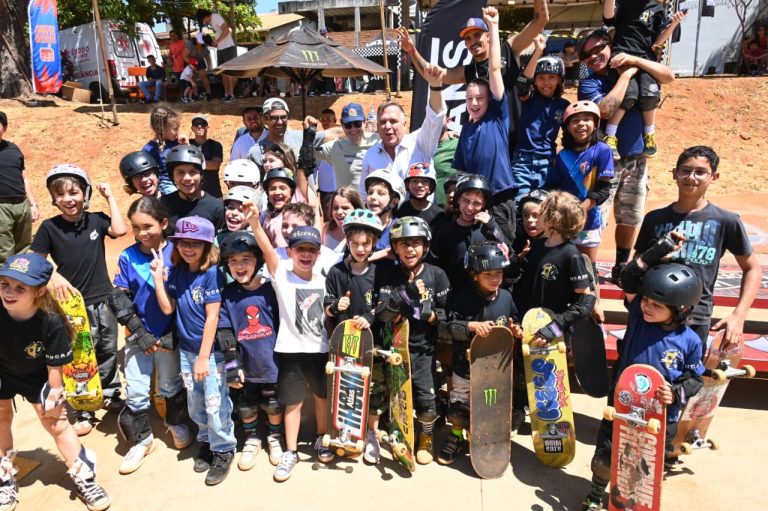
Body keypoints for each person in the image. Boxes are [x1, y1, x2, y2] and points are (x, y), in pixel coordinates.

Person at [580, 256, 705, 510]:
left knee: (644, 463)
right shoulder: (638, 317)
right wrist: (661, 249)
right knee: (606, 456)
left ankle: (633, 498)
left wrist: (676, 392)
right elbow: (627, 278)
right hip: (622, 404)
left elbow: (696, 379)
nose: (647, 306)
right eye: (646, 300)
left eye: (656, 305)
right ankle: (595, 495)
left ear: (680, 310)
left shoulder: (690, 341)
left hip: (660, 416)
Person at [0, 253, 110, 511]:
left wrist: (55, 391)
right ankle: (5, 478)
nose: (9, 292)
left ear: (39, 291)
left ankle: (85, 476)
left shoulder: (50, 320)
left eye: (20, 287)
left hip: (38, 376)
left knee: (57, 422)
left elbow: (55, 364)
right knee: (1, 418)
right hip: (2, 372)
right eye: (4, 283)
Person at [31, 165, 128, 436]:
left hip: (103, 298)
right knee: (79, 355)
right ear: (53, 198)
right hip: (72, 305)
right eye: (60, 194)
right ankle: (83, 405)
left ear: (84, 193)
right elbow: (36, 261)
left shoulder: (96, 220)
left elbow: (119, 230)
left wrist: (110, 197)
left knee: (107, 348)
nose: (68, 199)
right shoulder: (50, 228)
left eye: (74, 192)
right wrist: (55, 278)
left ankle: (109, 392)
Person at [632, 146, 762, 345]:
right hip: (651, 313)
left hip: (695, 318)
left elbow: (752, 268)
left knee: (687, 376)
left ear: (714, 177)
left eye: (700, 172)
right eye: (685, 170)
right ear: (674, 174)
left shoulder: (726, 220)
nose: (691, 177)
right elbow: (636, 266)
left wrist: (739, 315)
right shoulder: (654, 219)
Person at [577, 28, 675, 283]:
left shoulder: (634, 64)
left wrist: (635, 62)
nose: (594, 56)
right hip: (604, 160)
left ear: (611, 45)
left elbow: (668, 77)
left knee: (631, 215)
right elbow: (605, 109)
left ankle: (621, 265)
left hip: (636, 157)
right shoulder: (590, 81)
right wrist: (628, 76)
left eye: (599, 48)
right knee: (597, 216)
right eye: (587, 54)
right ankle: (589, 271)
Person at [245, 204, 335, 482]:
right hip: (291, 350)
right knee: (293, 402)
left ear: (319, 254)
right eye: (300, 249)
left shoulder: (325, 279)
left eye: (311, 250)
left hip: (320, 350)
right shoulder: (282, 274)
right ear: (290, 251)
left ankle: (321, 438)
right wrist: (254, 223)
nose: (305, 255)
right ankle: (291, 450)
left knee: (321, 398)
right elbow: (267, 251)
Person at [399, 0, 548, 157]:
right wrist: (412, 50)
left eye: (477, 35)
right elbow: (432, 74)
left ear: (489, 35)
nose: (473, 42)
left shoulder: (508, 49)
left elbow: (541, 19)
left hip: (518, 144)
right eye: (468, 39)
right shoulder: (469, 70)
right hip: (489, 148)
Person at [151, 216, 236, 486]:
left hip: (208, 353)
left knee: (215, 402)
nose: (188, 248)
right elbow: (168, 308)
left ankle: (223, 449)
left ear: (207, 246)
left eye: (195, 244)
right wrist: (157, 279)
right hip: (188, 351)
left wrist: (203, 357)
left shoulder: (210, 273)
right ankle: (206, 441)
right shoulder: (177, 271)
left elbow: (212, 317)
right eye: (183, 243)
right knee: (196, 402)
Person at [111, 197, 191, 475]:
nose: (142, 233)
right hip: (138, 336)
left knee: (169, 385)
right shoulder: (128, 256)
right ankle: (142, 440)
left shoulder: (180, 254)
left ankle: (176, 423)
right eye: (136, 227)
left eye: (148, 226)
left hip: (170, 337)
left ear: (164, 223)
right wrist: (140, 332)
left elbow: (186, 298)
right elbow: (120, 297)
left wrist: (174, 333)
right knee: (135, 389)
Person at [514, 191, 595, 430]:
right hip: (526, 327)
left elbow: (585, 302)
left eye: (541, 213)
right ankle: (518, 414)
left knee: (548, 379)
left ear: (553, 220)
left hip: (551, 335)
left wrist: (555, 326)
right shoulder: (537, 246)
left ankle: (553, 426)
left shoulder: (571, 255)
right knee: (521, 373)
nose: (535, 217)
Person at [437, 241, 521, 465]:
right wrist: (470, 327)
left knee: (491, 405)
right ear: (474, 275)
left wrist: (515, 329)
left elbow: (514, 319)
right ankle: (456, 438)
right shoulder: (462, 297)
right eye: (488, 274)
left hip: (496, 369)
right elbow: (447, 327)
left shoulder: (506, 298)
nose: (495, 279)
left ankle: (486, 438)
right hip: (465, 367)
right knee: (458, 409)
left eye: (499, 273)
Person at [374, 216, 450, 465]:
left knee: (426, 400)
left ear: (425, 245)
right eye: (404, 243)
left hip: (423, 350)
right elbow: (383, 314)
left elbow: (446, 317)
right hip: (392, 347)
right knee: (394, 396)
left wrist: (429, 315)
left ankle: (426, 437)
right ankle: (398, 432)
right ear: (394, 247)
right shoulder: (386, 273)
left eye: (416, 243)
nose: (410, 249)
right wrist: (405, 295)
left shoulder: (437, 275)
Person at [217, 231, 284, 470]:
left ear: (259, 261)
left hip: (271, 362)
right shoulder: (228, 294)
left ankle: (275, 437)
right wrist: (232, 366)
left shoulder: (271, 290)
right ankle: (253, 438)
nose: (239, 266)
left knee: (273, 404)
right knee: (246, 405)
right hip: (245, 364)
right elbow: (224, 332)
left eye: (246, 259)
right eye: (233, 261)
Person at [451, 8, 518, 245]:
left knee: (503, 251)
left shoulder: (497, 117)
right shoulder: (467, 128)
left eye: (480, 97)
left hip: (499, 199)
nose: (475, 102)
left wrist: (494, 25)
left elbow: (495, 68)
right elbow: (461, 171)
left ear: (490, 100)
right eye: (469, 99)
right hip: (474, 202)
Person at [323, 209, 384, 463]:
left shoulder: (380, 272)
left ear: (373, 244)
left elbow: (385, 304)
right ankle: (341, 432)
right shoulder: (337, 272)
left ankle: (371, 434)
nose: (360, 248)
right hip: (344, 342)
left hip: (372, 342)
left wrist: (370, 317)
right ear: (347, 241)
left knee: (373, 388)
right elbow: (326, 306)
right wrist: (336, 306)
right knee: (344, 385)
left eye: (366, 244)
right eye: (355, 243)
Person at [600, 0, 686, 158]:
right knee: (628, 92)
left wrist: (673, 24)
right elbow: (608, 18)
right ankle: (610, 135)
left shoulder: (657, 8)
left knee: (650, 94)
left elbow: (658, 41)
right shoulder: (621, 3)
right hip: (622, 55)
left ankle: (649, 135)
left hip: (645, 59)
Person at [358, 63, 447, 199]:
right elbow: (364, 195)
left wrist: (435, 87)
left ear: (404, 122)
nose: (387, 126)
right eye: (382, 122)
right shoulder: (370, 155)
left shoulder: (421, 143)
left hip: (419, 218)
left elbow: (434, 117)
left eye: (393, 121)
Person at [544, 100, 614, 264]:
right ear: (567, 127)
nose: (581, 124)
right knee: (563, 267)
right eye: (575, 120)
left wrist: (578, 211)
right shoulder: (562, 155)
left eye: (587, 119)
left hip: (588, 222)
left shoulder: (602, 150)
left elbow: (602, 191)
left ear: (596, 124)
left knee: (587, 270)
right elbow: (553, 186)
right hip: (562, 222)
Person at [512, 35, 570, 198]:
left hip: (548, 161)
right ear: (535, 81)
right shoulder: (529, 98)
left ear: (559, 80)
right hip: (523, 161)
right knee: (520, 203)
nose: (546, 82)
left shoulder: (564, 106)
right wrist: (538, 51)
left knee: (543, 204)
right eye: (541, 78)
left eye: (552, 77)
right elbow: (522, 83)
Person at [430, 174, 508, 294]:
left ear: (484, 205)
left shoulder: (488, 229)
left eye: (477, 203)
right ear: (458, 200)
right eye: (466, 201)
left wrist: (491, 225)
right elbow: (434, 264)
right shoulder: (445, 230)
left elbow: (506, 253)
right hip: (453, 294)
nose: (470, 208)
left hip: (482, 295)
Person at [0, 111, 39, 264]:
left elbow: (23, 177)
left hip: (22, 205)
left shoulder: (13, 149)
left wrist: (33, 204)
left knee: (23, 248)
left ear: (5, 127)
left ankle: (19, 284)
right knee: (3, 253)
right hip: (1, 207)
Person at [160, 144, 225, 235]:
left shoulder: (216, 207)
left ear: (201, 174)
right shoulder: (163, 205)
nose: (187, 178)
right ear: (172, 176)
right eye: (180, 172)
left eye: (193, 172)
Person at [363, 170, 406, 261]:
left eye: (381, 193)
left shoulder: (400, 227)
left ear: (394, 202)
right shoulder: (360, 225)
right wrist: (385, 253)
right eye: (370, 192)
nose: (373, 197)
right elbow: (352, 259)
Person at [197, 8, 237, 102]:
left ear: (206, 16)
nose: (204, 22)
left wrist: (218, 40)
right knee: (223, 73)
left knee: (229, 72)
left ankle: (232, 95)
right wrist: (215, 42)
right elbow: (220, 33)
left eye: (203, 19)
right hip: (221, 49)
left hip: (228, 48)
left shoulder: (216, 17)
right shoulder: (212, 22)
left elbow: (226, 30)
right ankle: (226, 94)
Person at [142, 105, 182, 196]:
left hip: (180, 178)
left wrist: (186, 145)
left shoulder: (176, 142)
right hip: (166, 185)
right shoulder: (148, 150)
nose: (178, 132)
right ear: (162, 129)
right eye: (175, 129)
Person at [397, 162, 447, 232]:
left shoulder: (439, 215)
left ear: (431, 186)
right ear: (408, 185)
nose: (419, 185)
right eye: (415, 181)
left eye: (425, 181)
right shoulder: (399, 210)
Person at [189, 115, 224, 198]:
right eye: (196, 124)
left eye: (203, 124)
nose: (199, 126)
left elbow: (215, 165)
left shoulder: (215, 145)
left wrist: (192, 162)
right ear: (192, 128)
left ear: (207, 127)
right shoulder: (188, 144)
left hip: (213, 191)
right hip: (192, 191)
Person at [321, 187, 363, 252]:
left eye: (345, 208)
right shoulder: (326, 228)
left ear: (356, 209)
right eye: (335, 208)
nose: (339, 212)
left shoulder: (362, 232)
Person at [185, 32, 212, 100]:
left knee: (204, 76)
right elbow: (184, 56)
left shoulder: (204, 46)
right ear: (196, 39)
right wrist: (190, 65)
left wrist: (209, 67)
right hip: (189, 60)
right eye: (198, 41)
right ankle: (195, 95)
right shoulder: (190, 44)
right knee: (193, 78)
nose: (200, 43)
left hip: (199, 60)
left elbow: (207, 57)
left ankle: (209, 93)